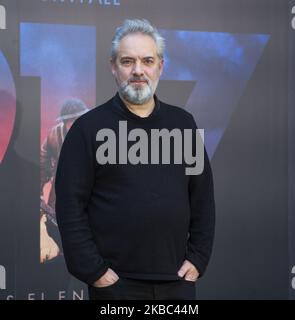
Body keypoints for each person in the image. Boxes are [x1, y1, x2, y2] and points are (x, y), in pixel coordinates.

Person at [55, 19, 215, 300]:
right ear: (113, 67)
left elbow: (202, 197)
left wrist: (199, 257)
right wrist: (94, 272)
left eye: (147, 61)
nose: (138, 70)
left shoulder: (184, 124)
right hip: (115, 285)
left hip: (177, 282)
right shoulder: (87, 129)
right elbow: (69, 206)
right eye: (128, 61)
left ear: (160, 67)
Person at [40, 98, 89, 263]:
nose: (75, 123)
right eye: (71, 120)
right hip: (62, 195)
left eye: (79, 119)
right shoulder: (54, 135)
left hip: (91, 196)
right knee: (57, 231)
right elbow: (42, 164)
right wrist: (36, 190)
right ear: (64, 122)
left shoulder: (98, 133)